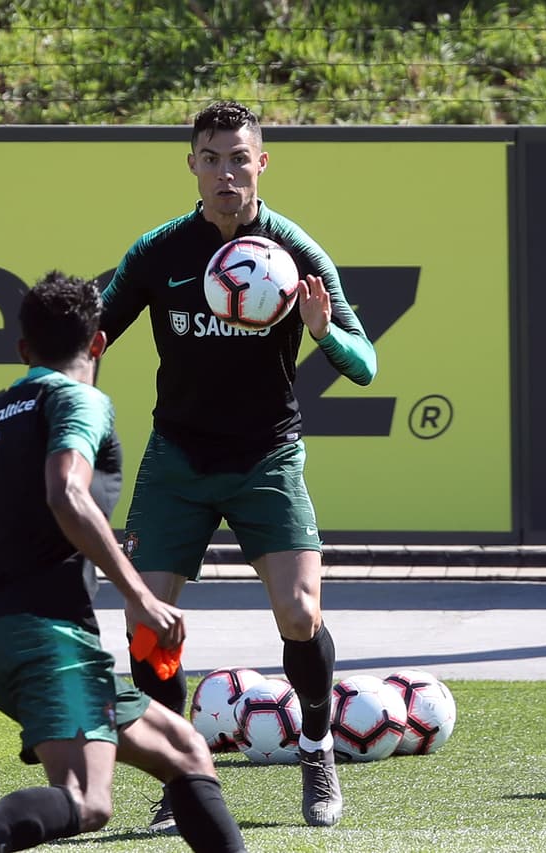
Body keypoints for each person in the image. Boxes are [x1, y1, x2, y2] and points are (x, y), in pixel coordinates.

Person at [100, 100, 378, 830]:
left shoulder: (294, 252)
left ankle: (316, 749)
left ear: (263, 162)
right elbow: (93, 332)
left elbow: (366, 364)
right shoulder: (158, 251)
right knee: (148, 624)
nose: (227, 173)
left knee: (299, 612)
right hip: (178, 459)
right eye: (212, 159)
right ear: (192, 165)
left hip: (267, 456)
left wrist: (323, 334)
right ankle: (182, 773)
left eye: (240, 158)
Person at [0, 272, 248, 853]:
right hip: (49, 639)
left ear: (23, 350)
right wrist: (142, 597)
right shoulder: (77, 398)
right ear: (98, 343)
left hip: (0, 638)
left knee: (185, 750)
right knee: (86, 798)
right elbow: (66, 493)